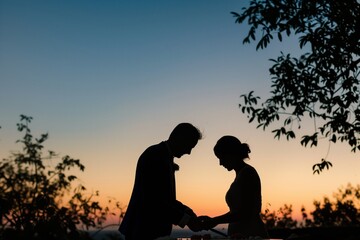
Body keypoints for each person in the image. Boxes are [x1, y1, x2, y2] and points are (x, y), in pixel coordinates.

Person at [119, 123, 203, 240]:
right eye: (189, 146)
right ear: (179, 139)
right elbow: (153, 200)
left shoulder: (162, 155)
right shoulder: (156, 156)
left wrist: (186, 211)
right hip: (143, 230)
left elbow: (164, 198)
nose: (189, 152)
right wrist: (186, 219)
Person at [198, 135, 269, 239]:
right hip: (240, 234)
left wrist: (215, 220)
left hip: (250, 233)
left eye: (221, 158)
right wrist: (214, 220)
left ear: (231, 154)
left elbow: (245, 212)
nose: (220, 163)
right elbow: (238, 211)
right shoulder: (242, 174)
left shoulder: (247, 173)